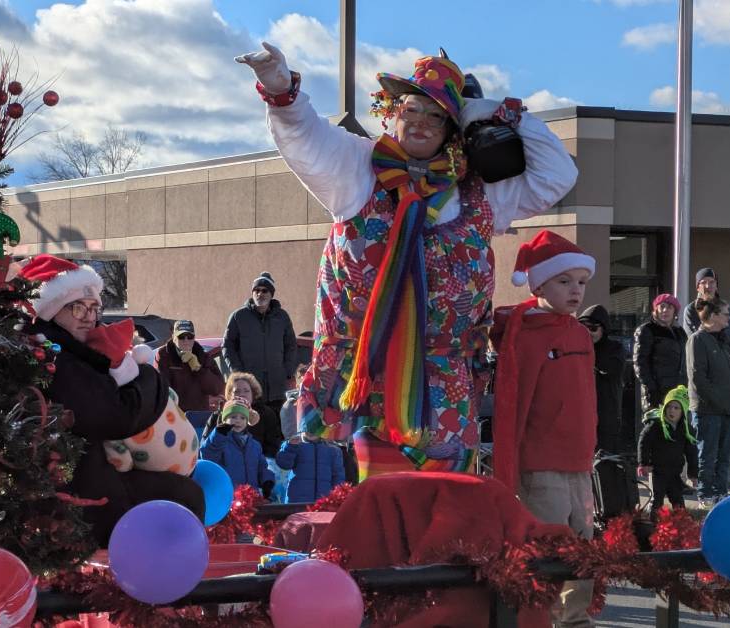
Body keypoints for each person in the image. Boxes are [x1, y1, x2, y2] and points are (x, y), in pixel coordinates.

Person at [236, 44, 577, 480]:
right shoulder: (357, 166)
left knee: (442, 513)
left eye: (436, 115)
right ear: (392, 112)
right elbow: (305, 135)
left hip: (444, 394)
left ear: (455, 128)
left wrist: (493, 111)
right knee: (362, 516)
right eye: (412, 108)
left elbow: (558, 175)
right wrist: (279, 87)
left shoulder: (479, 194)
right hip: (355, 385)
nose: (419, 122)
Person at [18, 254, 204, 545]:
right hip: (87, 498)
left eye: (94, 308)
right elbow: (113, 414)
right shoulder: (53, 357)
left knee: (185, 495)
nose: (90, 317)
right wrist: (149, 379)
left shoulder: (78, 351)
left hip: (94, 486)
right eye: (78, 308)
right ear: (51, 311)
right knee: (184, 498)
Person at [491, 230, 597, 627]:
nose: (575, 291)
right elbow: (512, 406)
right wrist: (511, 468)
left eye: (581, 283)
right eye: (564, 281)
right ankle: (541, 620)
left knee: (583, 549)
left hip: (580, 461)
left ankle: (576, 619)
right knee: (548, 550)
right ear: (539, 284)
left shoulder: (580, 333)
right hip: (541, 465)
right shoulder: (526, 337)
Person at [686, 296, 730, 507]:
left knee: (725, 456)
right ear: (713, 316)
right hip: (709, 410)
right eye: (725, 313)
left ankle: (720, 493)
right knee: (708, 455)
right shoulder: (697, 340)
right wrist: (720, 401)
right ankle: (706, 496)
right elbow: (698, 378)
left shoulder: (725, 339)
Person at [222, 271, 297, 417]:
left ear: (271, 294)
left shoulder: (282, 317)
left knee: (276, 433)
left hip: (277, 390)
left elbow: (291, 346)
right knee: (252, 430)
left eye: (264, 291)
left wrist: (287, 371)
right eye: (256, 290)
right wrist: (239, 373)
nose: (259, 294)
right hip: (250, 391)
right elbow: (227, 346)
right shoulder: (239, 317)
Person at [637, 385, 697, 515]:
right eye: (669, 407)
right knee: (656, 501)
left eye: (676, 408)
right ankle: (651, 526)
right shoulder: (656, 424)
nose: (672, 411)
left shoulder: (685, 429)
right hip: (657, 471)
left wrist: (693, 474)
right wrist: (644, 463)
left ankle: (682, 528)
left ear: (683, 410)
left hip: (675, 473)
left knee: (679, 502)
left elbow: (691, 452)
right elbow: (644, 441)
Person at [200, 397, 275, 498]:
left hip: (252, 497)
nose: (238, 421)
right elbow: (207, 455)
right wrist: (218, 435)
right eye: (233, 417)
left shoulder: (255, 445)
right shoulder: (220, 441)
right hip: (228, 496)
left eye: (243, 418)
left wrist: (267, 481)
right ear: (225, 420)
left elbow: (262, 467)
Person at [579, 305, 626, 453]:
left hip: (605, 414)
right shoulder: (573, 348)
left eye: (593, 328)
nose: (587, 333)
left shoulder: (615, 348)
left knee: (605, 461)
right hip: (580, 413)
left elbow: (611, 369)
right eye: (583, 328)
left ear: (603, 329)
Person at [633, 294, 687, 413]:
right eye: (661, 306)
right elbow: (640, 363)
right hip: (656, 393)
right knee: (655, 428)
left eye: (669, 307)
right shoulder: (647, 330)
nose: (665, 310)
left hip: (677, 392)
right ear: (655, 310)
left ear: (675, 312)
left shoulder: (680, 332)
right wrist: (651, 388)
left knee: (676, 429)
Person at [156, 320, 223, 413]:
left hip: (199, 414)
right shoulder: (164, 355)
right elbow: (163, 388)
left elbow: (216, 388)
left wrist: (198, 369)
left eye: (190, 337)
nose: (186, 341)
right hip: (174, 414)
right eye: (181, 337)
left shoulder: (203, 356)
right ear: (173, 337)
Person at [276, 431, 347, 503]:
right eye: (307, 428)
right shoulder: (294, 444)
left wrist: (336, 496)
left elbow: (338, 476)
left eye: (314, 428)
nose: (310, 432)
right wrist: (290, 447)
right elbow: (284, 464)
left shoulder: (332, 449)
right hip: (297, 500)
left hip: (323, 501)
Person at [682, 268, 730, 347]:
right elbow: (692, 339)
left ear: (716, 286)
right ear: (698, 287)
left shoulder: (728, 308)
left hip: (726, 355)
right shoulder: (691, 310)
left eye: (712, 282)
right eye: (703, 282)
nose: (708, 286)